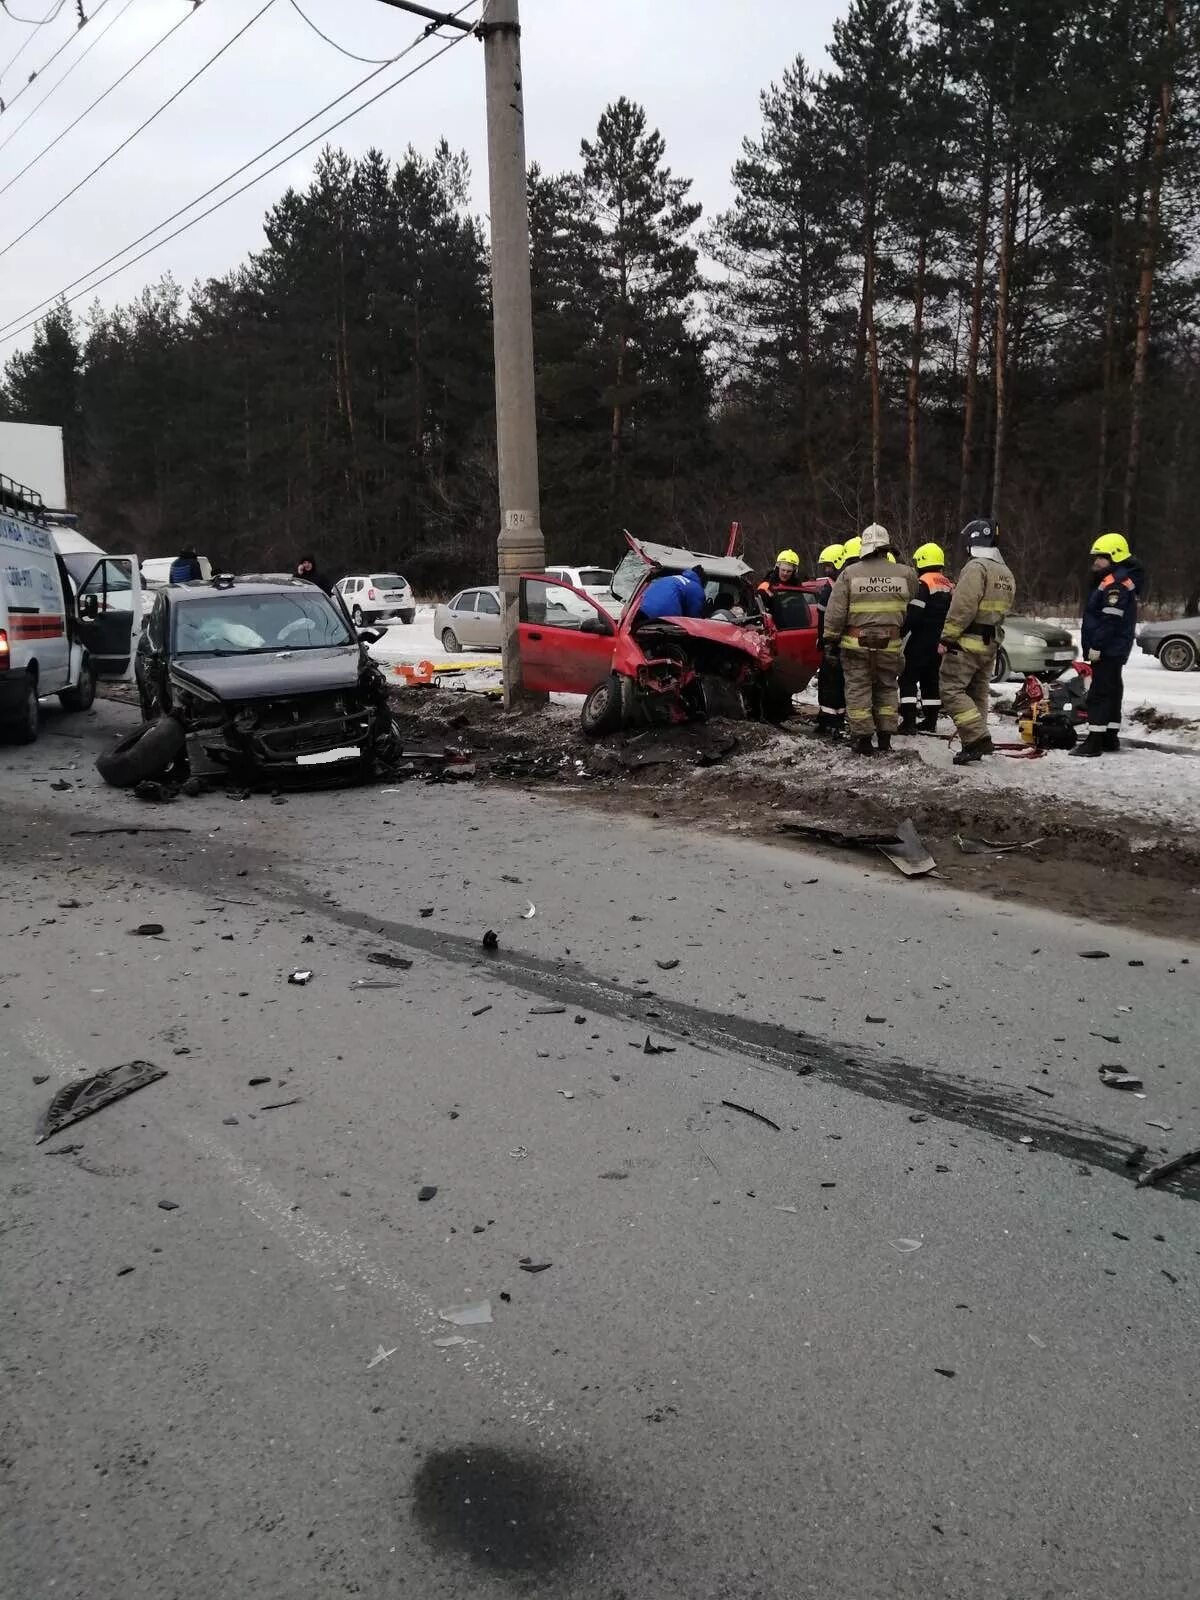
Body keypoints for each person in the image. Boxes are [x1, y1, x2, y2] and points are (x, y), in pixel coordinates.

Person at [822, 524, 918, 756]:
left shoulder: (849, 574)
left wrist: (830, 640)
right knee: (887, 688)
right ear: (886, 547)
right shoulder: (906, 573)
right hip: (890, 645)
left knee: (858, 690)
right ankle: (885, 738)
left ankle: (863, 740)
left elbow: (835, 612)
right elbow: (911, 602)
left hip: (856, 645)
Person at [938, 517, 1016, 765]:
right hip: (990, 643)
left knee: (951, 690)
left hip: (966, 642)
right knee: (978, 694)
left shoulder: (975, 568)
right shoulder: (1005, 572)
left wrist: (947, 638)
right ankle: (976, 741)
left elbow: (963, 607)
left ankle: (976, 739)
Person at [1072, 531, 1145, 757]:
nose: (1096, 562)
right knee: (1112, 690)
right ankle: (1109, 736)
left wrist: (1097, 646)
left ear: (1114, 557)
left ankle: (1094, 742)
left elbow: (1109, 619)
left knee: (1100, 693)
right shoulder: (1118, 580)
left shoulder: (1115, 584)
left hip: (1108, 647)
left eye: (1101, 557)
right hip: (1115, 647)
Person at [899, 542, 954, 734]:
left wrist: (900, 632)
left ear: (922, 561)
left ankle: (908, 722)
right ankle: (930, 721)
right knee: (931, 680)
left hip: (921, 640)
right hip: (940, 641)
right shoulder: (948, 584)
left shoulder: (923, 583)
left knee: (907, 679)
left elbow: (914, 613)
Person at [812, 543, 847, 736]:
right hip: (831, 642)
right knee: (829, 681)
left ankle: (833, 721)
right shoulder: (832, 587)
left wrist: (826, 641)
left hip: (835, 643)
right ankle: (827, 718)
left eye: (830, 566)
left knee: (833, 682)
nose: (827, 570)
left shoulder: (837, 588)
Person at [637, 565, 707, 622]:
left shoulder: (671, 578)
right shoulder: (696, 588)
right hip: (663, 616)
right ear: (702, 581)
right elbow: (694, 619)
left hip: (641, 609)